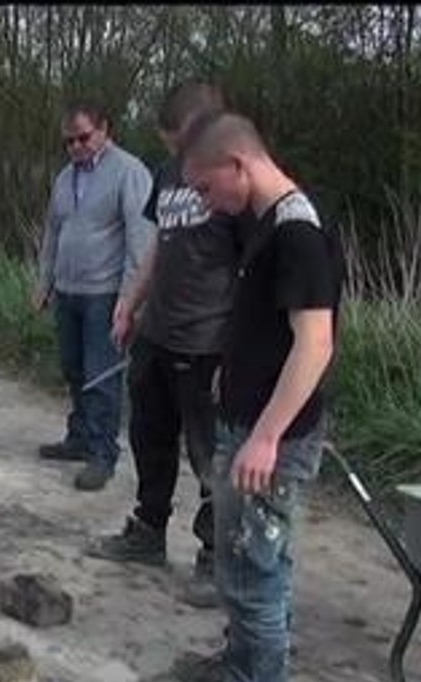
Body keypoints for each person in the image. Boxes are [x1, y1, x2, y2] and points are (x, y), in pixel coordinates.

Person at [173, 111, 345, 682]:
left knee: (255, 582)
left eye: (205, 187)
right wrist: (232, 368)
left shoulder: (299, 234)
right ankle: (241, 673)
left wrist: (267, 436)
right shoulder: (266, 224)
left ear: (237, 164)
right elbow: (269, 326)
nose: (207, 202)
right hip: (246, 422)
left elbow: (316, 343)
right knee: (251, 571)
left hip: (268, 443)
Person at [84, 81, 246, 610]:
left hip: (207, 340)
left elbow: (251, 271)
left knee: (209, 455)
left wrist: (236, 348)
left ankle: (211, 553)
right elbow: (159, 243)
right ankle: (148, 531)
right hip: (158, 330)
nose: (176, 154)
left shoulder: (233, 181)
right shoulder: (169, 173)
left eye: (179, 142)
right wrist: (131, 302)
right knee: (149, 437)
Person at [34, 100, 157, 491]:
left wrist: (130, 300)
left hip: (106, 293)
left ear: (104, 129)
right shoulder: (64, 178)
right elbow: (53, 232)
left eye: (83, 138)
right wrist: (44, 282)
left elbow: (141, 240)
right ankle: (81, 436)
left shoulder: (129, 172)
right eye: (68, 142)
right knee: (73, 368)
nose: (76, 147)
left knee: (101, 376)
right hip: (69, 290)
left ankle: (103, 453)